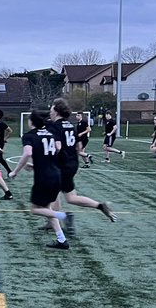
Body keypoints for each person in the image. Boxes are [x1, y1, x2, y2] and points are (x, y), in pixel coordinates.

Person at [49, 98, 117, 232]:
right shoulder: (70, 125)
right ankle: (100, 206)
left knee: (52, 192)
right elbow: (78, 147)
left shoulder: (55, 127)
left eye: (51, 109)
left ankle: (59, 221)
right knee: (70, 197)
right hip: (72, 163)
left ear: (56, 111)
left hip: (61, 164)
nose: (50, 112)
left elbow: (58, 147)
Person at [7, 110, 72, 249]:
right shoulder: (50, 134)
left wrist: (15, 172)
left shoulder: (29, 136)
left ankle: (63, 215)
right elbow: (57, 149)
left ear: (31, 122)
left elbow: (27, 153)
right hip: (56, 175)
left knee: (35, 210)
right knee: (46, 208)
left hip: (43, 178)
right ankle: (62, 240)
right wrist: (37, 164)